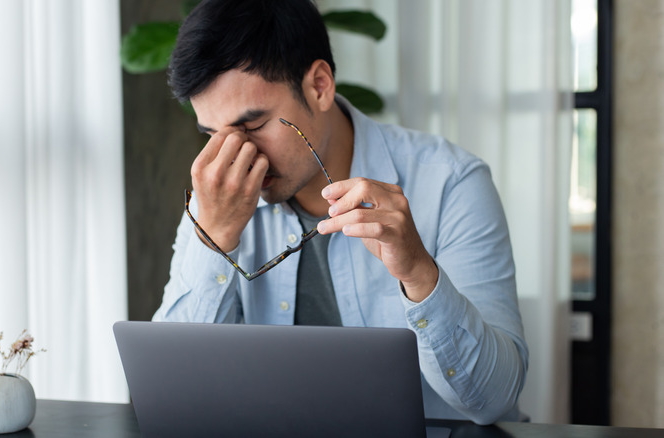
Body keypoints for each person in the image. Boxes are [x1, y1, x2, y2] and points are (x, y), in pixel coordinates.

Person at [152, 0, 528, 425]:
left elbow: (493, 401)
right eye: (213, 135)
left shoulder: (451, 183)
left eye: (253, 126)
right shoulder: (217, 199)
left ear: (319, 86)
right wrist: (214, 239)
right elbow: (174, 393)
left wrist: (420, 275)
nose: (238, 155)